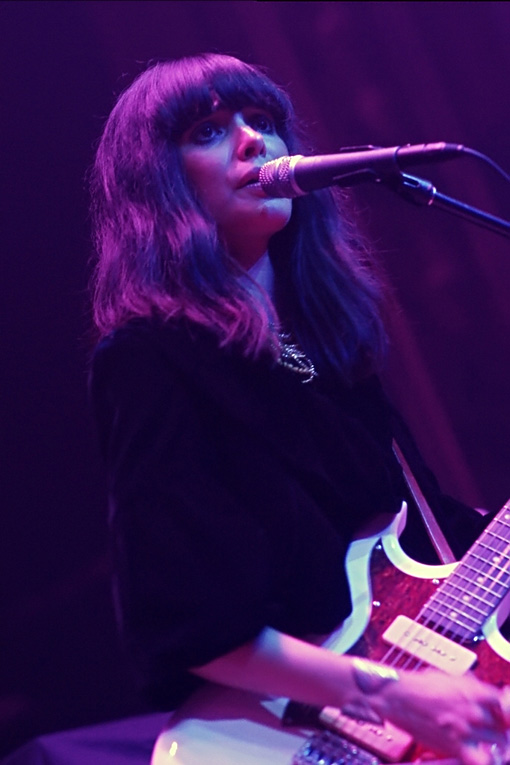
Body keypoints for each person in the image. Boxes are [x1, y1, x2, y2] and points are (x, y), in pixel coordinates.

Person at [88, 53, 510, 764]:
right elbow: (184, 619)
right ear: (158, 185)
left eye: (264, 121)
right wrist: (390, 693)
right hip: (282, 733)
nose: (256, 141)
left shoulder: (328, 345)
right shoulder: (150, 356)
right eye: (209, 129)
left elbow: (427, 529)